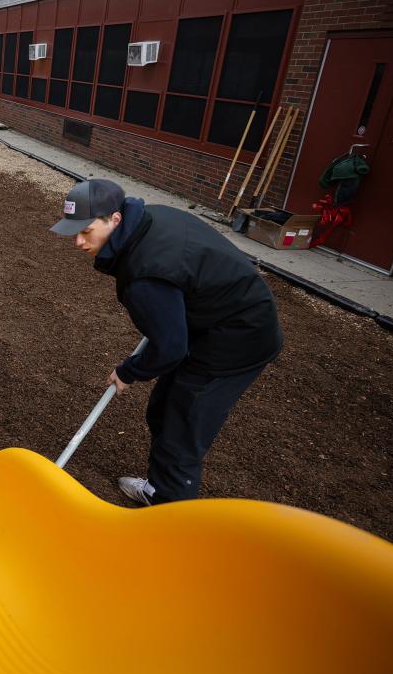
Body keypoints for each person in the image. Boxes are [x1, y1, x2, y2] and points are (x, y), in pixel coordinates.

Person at [49, 179, 283, 507]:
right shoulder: (147, 219)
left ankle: (170, 509)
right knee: (162, 408)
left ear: (114, 219)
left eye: (86, 231)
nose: (78, 241)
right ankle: (159, 487)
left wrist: (129, 371)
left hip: (240, 335)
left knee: (182, 425)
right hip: (211, 317)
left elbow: (171, 347)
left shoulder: (144, 276)